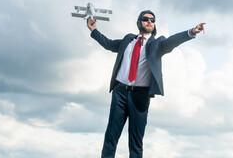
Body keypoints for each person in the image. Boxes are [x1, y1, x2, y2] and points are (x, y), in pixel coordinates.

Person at [87, 10, 206, 158]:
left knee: (136, 143)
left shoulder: (158, 44)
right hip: (120, 93)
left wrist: (191, 32)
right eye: (145, 19)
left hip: (140, 96)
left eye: (152, 20)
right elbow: (109, 44)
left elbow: (172, 41)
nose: (149, 21)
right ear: (139, 22)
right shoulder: (128, 40)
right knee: (111, 137)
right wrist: (93, 30)